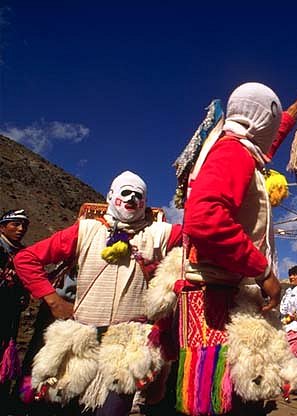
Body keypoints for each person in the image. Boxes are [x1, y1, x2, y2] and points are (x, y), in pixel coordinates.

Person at [180, 83, 297, 414]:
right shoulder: (234, 152)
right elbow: (205, 219)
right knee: (219, 402)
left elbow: (266, 146)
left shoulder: (237, 148)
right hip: (214, 295)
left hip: (218, 290)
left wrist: (295, 110)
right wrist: (264, 271)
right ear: (261, 120)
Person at [14, 171, 182, 416]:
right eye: (126, 192)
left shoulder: (161, 234)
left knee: (112, 411)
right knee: (63, 407)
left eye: (139, 195)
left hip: (128, 344)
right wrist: (53, 300)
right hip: (81, 340)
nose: (132, 199)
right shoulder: (86, 230)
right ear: (111, 196)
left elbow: (196, 234)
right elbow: (26, 259)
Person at [0, 209, 30, 411]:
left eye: (24, 226)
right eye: (15, 224)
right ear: (2, 227)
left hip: (9, 313)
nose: (21, 229)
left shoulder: (22, 254)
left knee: (5, 356)